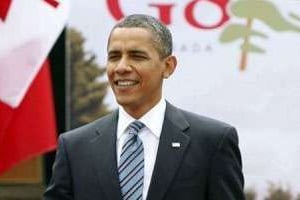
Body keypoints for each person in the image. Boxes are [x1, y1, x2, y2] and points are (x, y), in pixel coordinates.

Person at [44, 14, 245, 200]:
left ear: (168, 67)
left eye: (137, 56)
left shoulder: (212, 142)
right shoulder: (74, 147)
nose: (121, 67)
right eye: (114, 56)